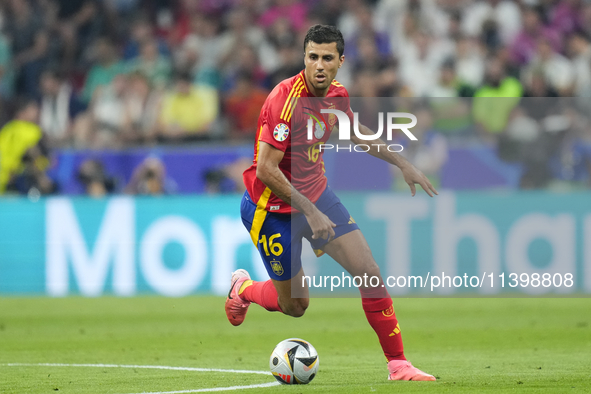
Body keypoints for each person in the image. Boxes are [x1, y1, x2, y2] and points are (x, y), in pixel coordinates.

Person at [225, 25, 438, 382]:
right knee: (296, 306)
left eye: (327, 58)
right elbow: (265, 169)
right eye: (312, 57)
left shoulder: (337, 95)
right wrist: (309, 210)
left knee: (368, 272)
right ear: (303, 58)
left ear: (341, 61)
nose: (319, 65)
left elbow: (357, 133)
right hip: (271, 209)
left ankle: (398, 365)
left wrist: (403, 162)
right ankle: (243, 289)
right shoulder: (283, 100)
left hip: (318, 196)